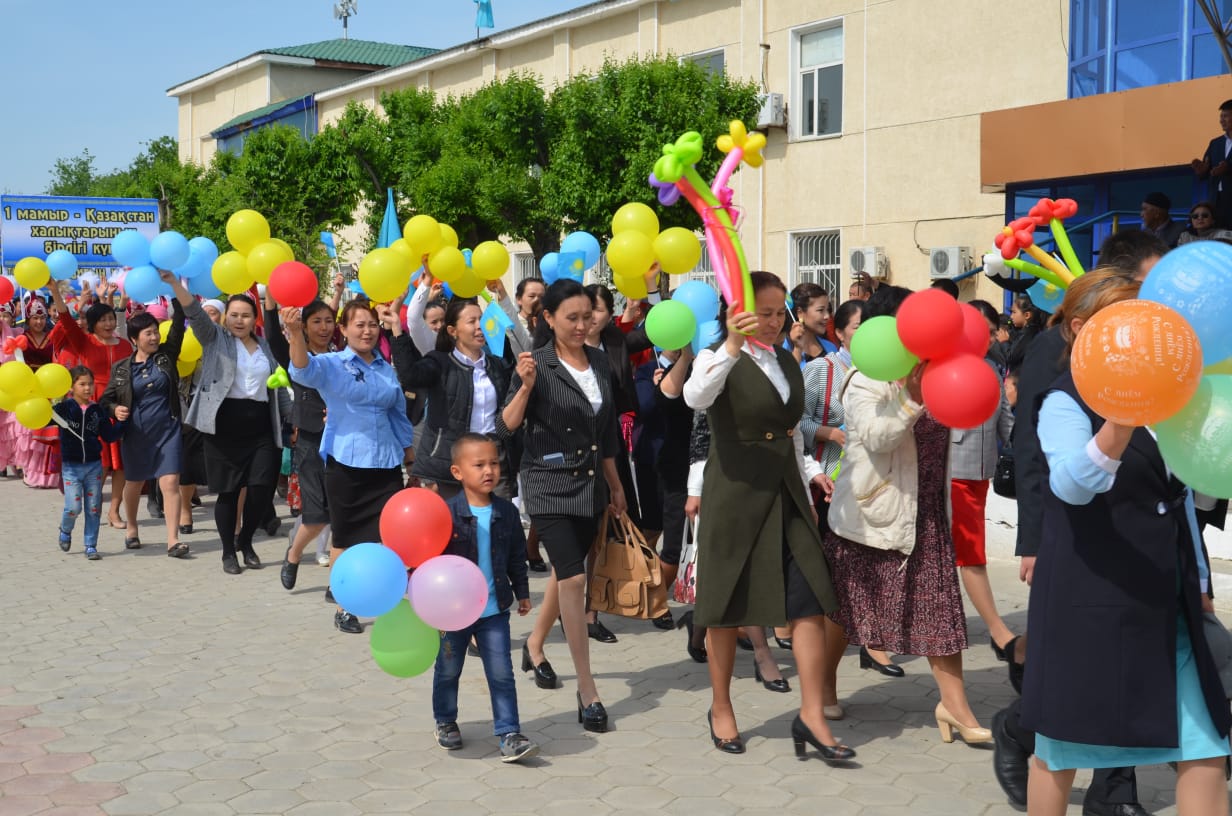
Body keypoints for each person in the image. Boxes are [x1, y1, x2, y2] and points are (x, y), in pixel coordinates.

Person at [1022, 274, 1232, 816]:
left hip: (1167, 601)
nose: (1138, 335)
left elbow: (1179, 495)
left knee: (1205, 744)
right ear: (1080, 329)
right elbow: (1069, 485)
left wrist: (1201, 583)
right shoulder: (1063, 402)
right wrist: (1119, 420)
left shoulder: (1170, 397)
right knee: (1060, 747)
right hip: (1090, 599)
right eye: (1123, 323)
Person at [995, 269, 1160, 814]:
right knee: (1065, 726)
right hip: (1081, 560)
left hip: (1154, 576)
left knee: (1197, 737)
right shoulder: (1057, 368)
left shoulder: (1165, 374)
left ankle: (1115, 792)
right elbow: (1041, 461)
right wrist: (1032, 540)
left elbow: (1174, 494)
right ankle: (1023, 731)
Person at [682, 271, 852, 761]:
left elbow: (790, 430)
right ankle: (720, 707)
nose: (777, 322)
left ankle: (813, 716)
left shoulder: (785, 358)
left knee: (809, 602)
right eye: (767, 312)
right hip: (734, 494)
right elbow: (696, 399)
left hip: (787, 493)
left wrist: (811, 471)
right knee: (724, 605)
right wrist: (734, 342)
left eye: (782, 313)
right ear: (740, 312)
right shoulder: (718, 356)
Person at [823, 284, 991, 747]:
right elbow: (877, 437)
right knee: (846, 613)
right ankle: (823, 686)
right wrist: (912, 397)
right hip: (873, 516)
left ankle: (954, 707)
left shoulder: (934, 370)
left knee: (942, 614)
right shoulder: (866, 379)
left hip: (927, 515)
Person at [497, 279, 626, 733]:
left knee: (563, 573)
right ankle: (587, 688)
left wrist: (615, 485)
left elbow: (606, 430)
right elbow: (507, 425)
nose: (580, 325)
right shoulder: (536, 363)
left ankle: (534, 646)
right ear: (548, 319)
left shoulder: (599, 361)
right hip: (548, 483)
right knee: (573, 577)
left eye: (586, 316)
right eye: (570, 317)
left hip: (591, 486)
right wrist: (526, 387)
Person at [284, 302, 414, 634]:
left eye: (372, 325)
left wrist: (409, 454)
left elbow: (398, 413)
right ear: (344, 330)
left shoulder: (386, 367)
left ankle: (382, 597)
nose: (367, 331)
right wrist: (296, 334)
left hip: (386, 464)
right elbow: (301, 371)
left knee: (387, 537)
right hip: (346, 464)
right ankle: (344, 607)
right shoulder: (333, 364)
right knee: (346, 538)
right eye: (359, 325)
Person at [430, 433, 538, 764]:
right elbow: (432, 561)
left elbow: (517, 556)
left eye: (493, 463)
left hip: (493, 610)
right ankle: (445, 720)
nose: (489, 470)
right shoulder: (446, 514)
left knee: (502, 672)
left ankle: (509, 733)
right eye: (479, 465)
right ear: (457, 472)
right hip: (453, 613)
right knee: (449, 668)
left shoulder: (505, 511)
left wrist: (522, 592)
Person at [173, 281, 289, 576]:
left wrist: (293, 418)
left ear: (254, 318)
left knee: (261, 490)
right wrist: (176, 284)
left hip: (261, 425)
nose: (240, 320)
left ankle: (246, 541)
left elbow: (279, 385)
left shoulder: (265, 346)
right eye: (234, 315)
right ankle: (228, 552)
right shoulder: (216, 339)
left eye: (246, 315)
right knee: (228, 492)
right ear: (226, 318)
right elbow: (195, 314)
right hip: (223, 427)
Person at [386, 297, 512, 500]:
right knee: (455, 527)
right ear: (453, 331)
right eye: (472, 321)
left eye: (482, 318)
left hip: (492, 459)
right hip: (451, 461)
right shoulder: (440, 362)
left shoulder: (496, 366)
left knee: (497, 523)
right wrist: (396, 331)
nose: (480, 326)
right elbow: (410, 376)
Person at [100, 289, 189, 558]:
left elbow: (179, 321)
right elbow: (106, 400)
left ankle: (173, 540)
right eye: (148, 333)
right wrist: (116, 409)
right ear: (134, 339)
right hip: (137, 434)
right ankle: (132, 528)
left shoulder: (166, 356)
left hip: (168, 430)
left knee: (170, 482)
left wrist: (173, 290)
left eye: (155, 331)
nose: (154, 336)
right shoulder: (122, 368)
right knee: (135, 483)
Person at [949, 299, 1015, 659]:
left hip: (981, 471)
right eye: (984, 332)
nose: (989, 339)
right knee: (969, 551)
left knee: (961, 550)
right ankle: (997, 629)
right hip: (952, 472)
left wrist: (1024, 447)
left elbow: (1004, 417)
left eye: (993, 333)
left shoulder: (992, 366)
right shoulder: (941, 366)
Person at [47, 285, 133, 530]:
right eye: (102, 320)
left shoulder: (125, 346)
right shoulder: (83, 342)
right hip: (92, 406)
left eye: (110, 319)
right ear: (93, 322)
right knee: (100, 461)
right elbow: (65, 318)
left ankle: (114, 511)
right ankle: (89, 507)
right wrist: (55, 292)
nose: (108, 324)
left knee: (121, 463)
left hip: (119, 405)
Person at [265, 298, 336, 591]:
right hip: (309, 440)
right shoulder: (297, 354)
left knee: (341, 515)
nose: (323, 327)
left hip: (341, 441)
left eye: (328, 321)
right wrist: (270, 300)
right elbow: (272, 336)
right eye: (316, 321)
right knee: (317, 515)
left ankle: (339, 585)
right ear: (305, 326)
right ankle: (293, 555)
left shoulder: (342, 355)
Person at [54, 366, 124, 560]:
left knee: (94, 508)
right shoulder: (63, 409)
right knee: (73, 507)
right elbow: (42, 419)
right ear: (71, 386)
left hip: (94, 466)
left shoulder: (97, 410)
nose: (87, 388)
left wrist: (121, 423)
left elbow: (109, 436)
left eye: (90, 384)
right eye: (82, 384)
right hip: (71, 468)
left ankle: (90, 545)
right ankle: (65, 530)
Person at [16, 297, 60, 489]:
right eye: (35, 318)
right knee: (30, 431)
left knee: (49, 431)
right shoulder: (22, 337)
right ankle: (31, 472)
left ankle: (49, 475)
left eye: (42, 318)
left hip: (49, 385)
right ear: (28, 319)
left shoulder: (52, 336)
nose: (39, 322)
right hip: (29, 388)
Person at [1192, 99, 1232, 229]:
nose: (1222, 120)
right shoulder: (1215, 143)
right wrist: (1202, 171)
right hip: (1216, 202)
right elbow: (1206, 170)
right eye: (1221, 117)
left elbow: (1226, 168)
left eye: (1226, 116)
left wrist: (1228, 169)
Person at [787, 282, 837, 366]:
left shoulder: (831, 348)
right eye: (820, 310)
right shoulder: (784, 348)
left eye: (827, 310)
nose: (827, 316)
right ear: (800, 313)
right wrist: (797, 349)